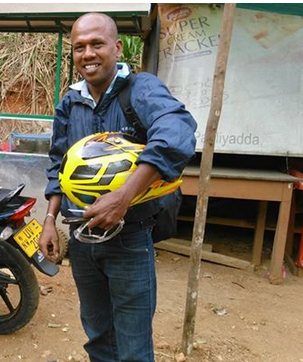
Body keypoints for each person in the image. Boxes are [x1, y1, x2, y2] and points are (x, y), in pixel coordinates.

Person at [38, 13, 197, 362]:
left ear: (117, 46)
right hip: (80, 235)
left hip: (129, 236)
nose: (88, 54)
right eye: (79, 47)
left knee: (134, 344)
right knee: (97, 335)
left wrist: (123, 198)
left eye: (97, 44)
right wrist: (50, 220)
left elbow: (177, 131)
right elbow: (57, 164)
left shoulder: (142, 89)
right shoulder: (71, 101)